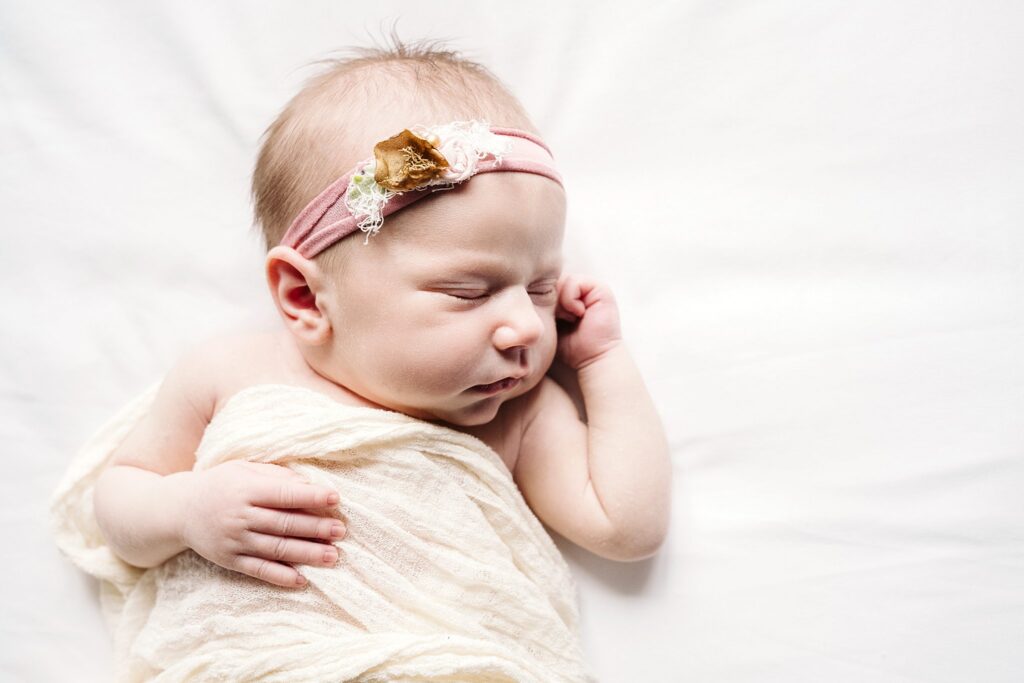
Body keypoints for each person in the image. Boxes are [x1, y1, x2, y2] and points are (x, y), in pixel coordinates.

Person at [70, 38, 670, 678]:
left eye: (541, 288)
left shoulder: (514, 416)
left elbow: (625, 526)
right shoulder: (229, 375)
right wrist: (186, 512)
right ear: (305, 296)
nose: (525, 324)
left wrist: (601, 360)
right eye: (470, 291)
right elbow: (117, 502)